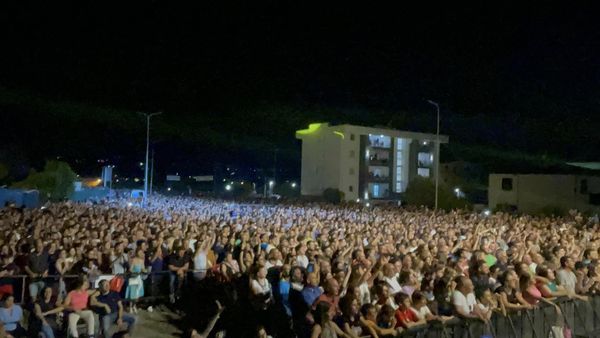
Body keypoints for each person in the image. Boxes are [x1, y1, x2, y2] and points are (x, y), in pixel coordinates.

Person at [125, 248, 145, 313]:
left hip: (139, 278)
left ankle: (134, 306)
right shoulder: (133, 260)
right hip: (133, 278)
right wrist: (134, 273)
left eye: (141, 252)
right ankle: (130, 307)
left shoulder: (142, 260)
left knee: (137, 294)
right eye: (139, 252)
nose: (140, 254)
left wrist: (144, 270)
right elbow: (130, 269)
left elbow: (143, 268)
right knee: (132, 294)